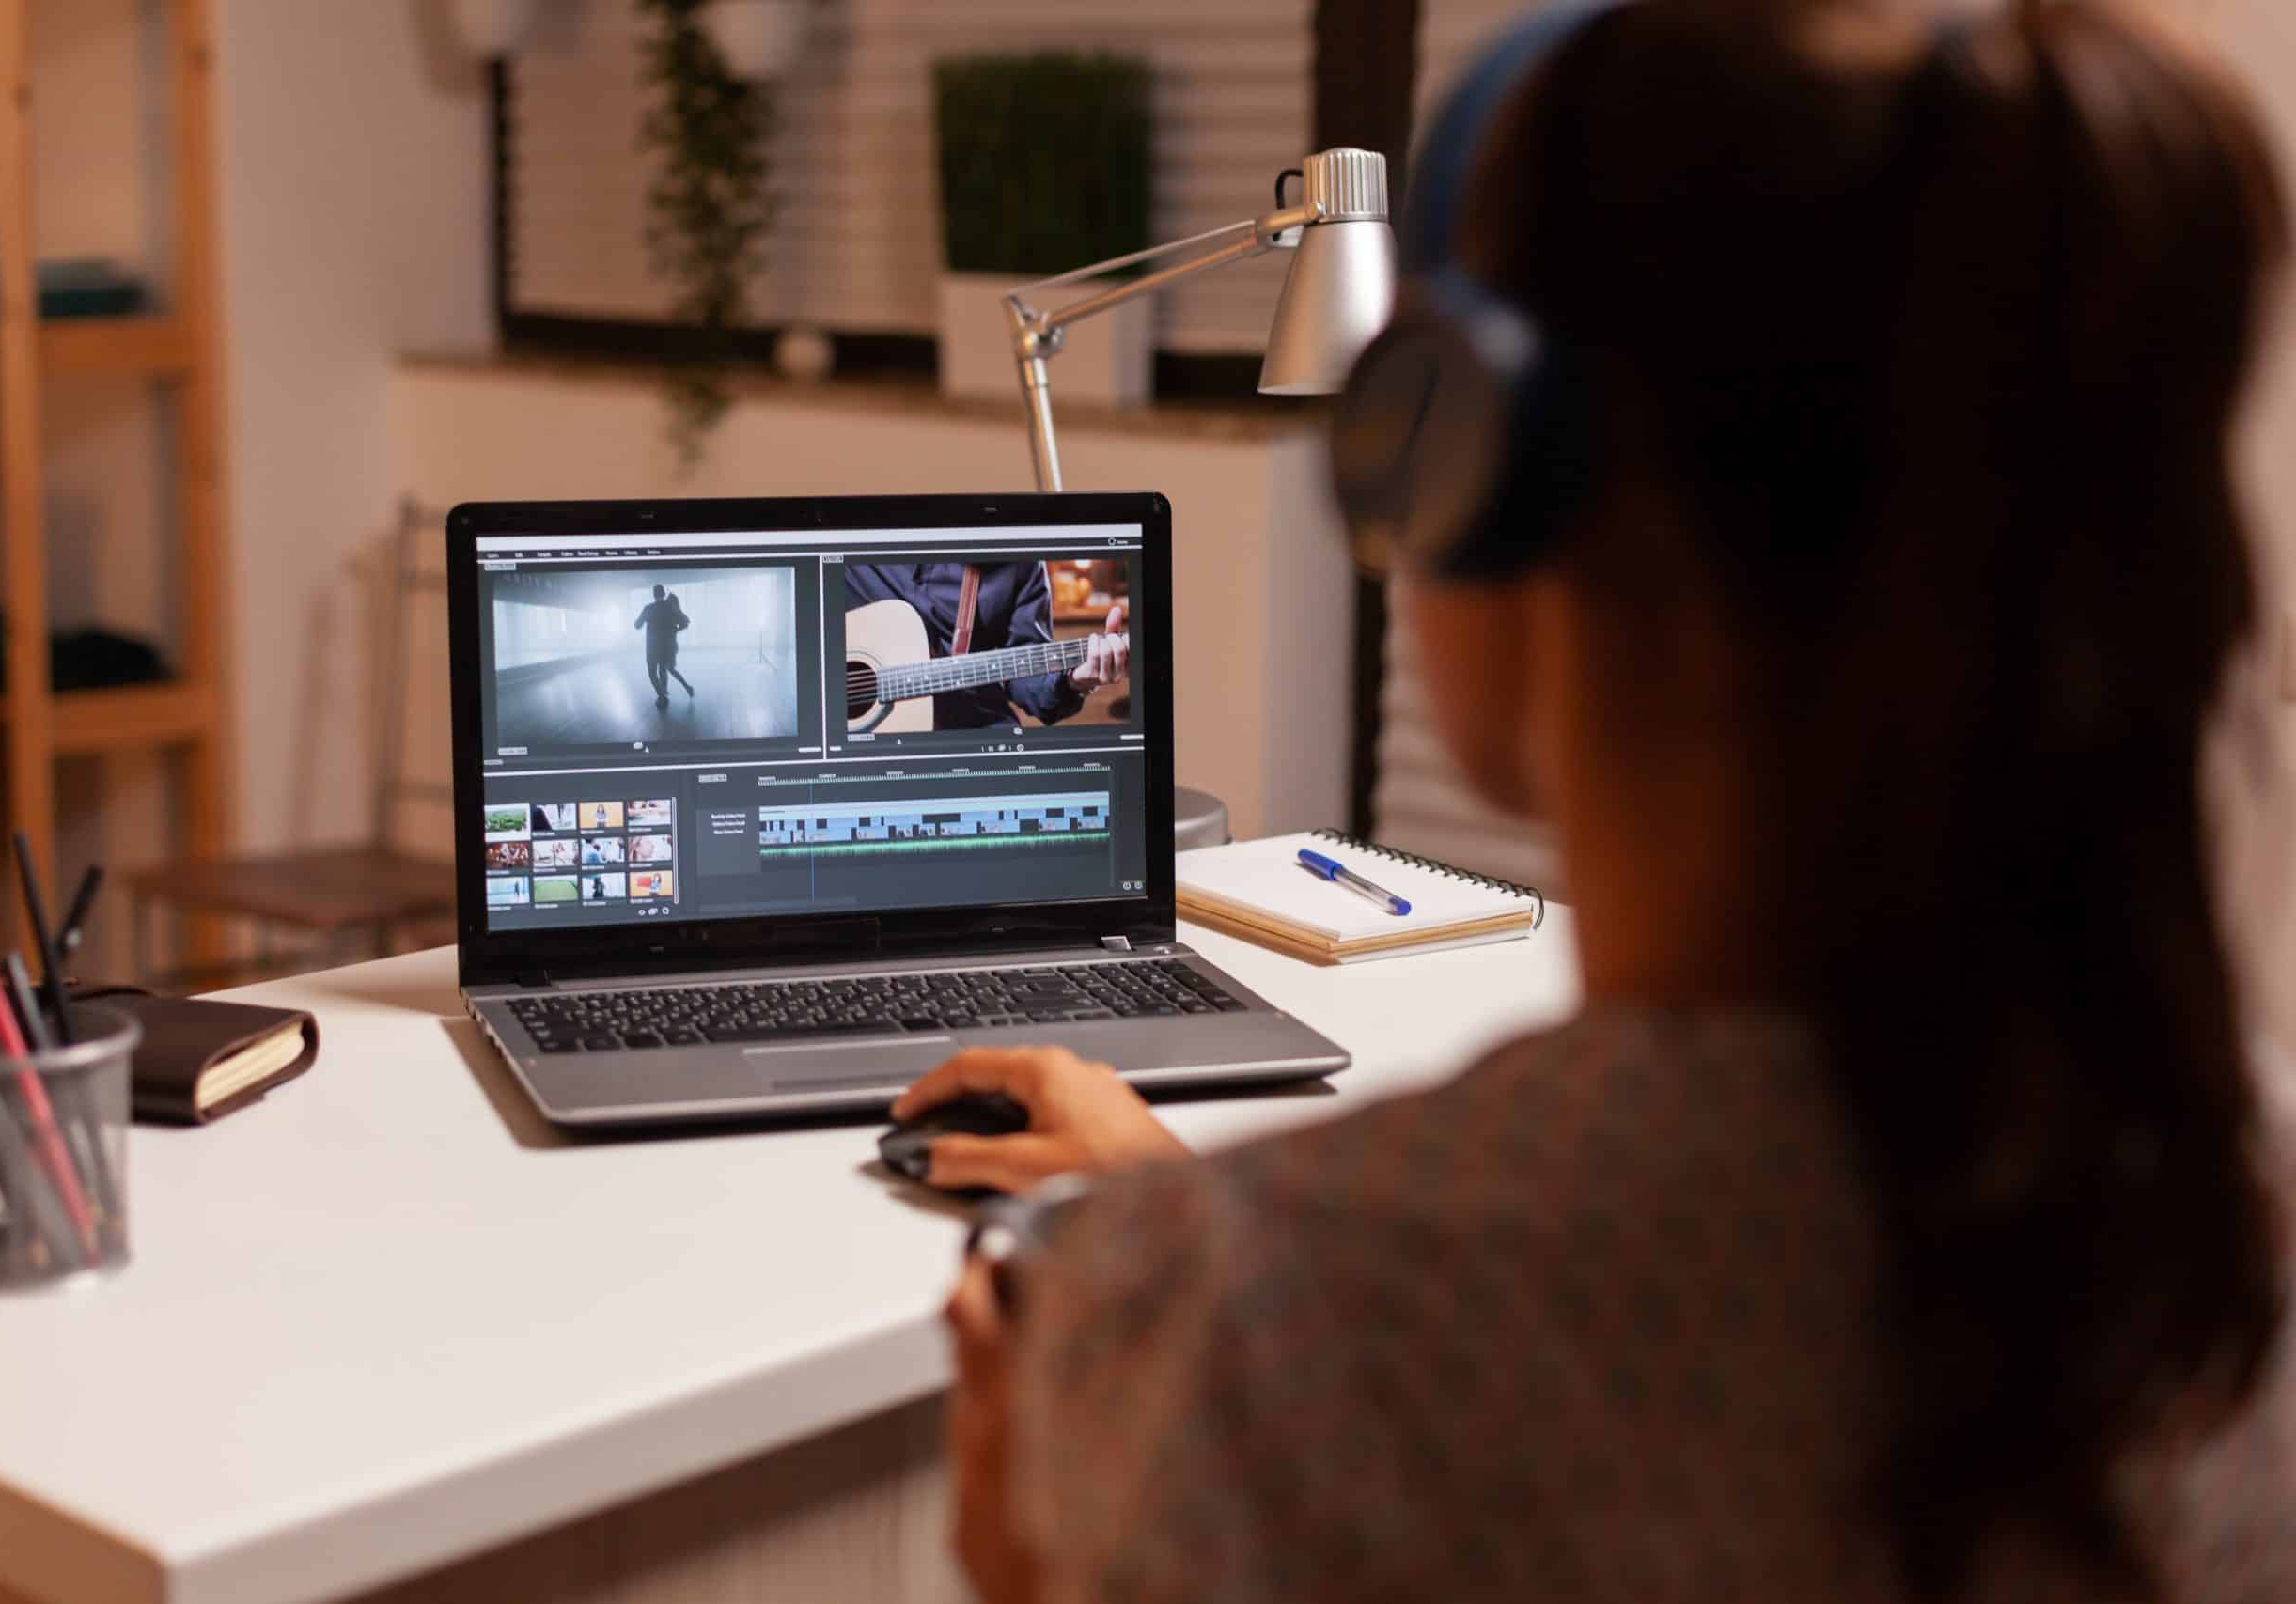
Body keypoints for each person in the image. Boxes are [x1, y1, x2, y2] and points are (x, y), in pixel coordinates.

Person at [893, 2, 2296, 1601]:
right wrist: (1192, 1217)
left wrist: (1044, 1550)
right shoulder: (2231, 1213)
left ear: (1457, 463)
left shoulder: (1258, 1358)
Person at [843, 562, 1128, 729]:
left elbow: (1030, 683)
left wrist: (1073, 680)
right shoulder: (849, 543)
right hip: (864, 755)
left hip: (977, 742)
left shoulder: (1016, 557)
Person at [633, 584, 695, 709]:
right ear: (663, 594)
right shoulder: (671, 607)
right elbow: (685, 624)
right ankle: (664, 694)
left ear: (654, 594)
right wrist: (674, 631)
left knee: (652, 672)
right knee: (665, 669)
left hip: (652, 647)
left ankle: (662, 696)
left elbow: (637, 625)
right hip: (668, 646)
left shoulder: (648, 608)